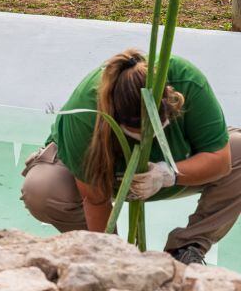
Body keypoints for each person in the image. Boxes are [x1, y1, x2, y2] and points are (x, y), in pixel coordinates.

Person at [22, 49, 241, 266]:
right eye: (136, 131)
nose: (147, 138)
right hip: (107, 176)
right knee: (42, 189)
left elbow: (220, 161)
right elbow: (95, 199)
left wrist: (168, 174)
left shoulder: (185, 79)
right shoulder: (87, 113)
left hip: (175, 167)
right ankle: (98, 253)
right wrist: (116, 260)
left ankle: (185, 250)